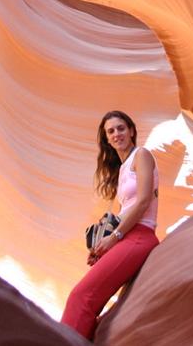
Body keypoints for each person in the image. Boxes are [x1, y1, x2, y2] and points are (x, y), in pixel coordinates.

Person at [61, 110, 159, 340]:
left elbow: (144, 200)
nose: (117, 134)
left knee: (81, 297)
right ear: (106, 139)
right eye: (111, 131)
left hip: (140, 236)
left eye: (121, 128)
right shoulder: (123, 168)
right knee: (86, 300)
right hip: (128, 236)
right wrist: (102, 248)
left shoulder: (142, 155)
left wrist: (114, 237)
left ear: (132, 130)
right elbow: (123, 213)